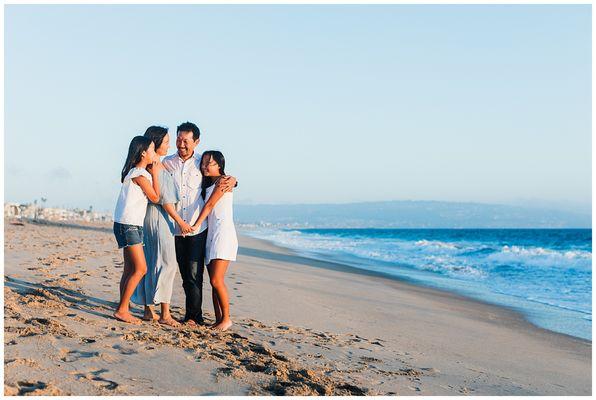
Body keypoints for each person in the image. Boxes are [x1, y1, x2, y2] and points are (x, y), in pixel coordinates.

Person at [162, 122, 237, 326]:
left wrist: (234, 180)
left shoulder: (201, 163)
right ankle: (196, 314)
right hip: (176, 228)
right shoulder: (167, 163)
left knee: (196, 274)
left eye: (186, 140)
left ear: (196, 142)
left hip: (199, 229)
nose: (181, 144)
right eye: (178, 139)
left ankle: (194, 317)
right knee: (184, 274)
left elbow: (221, 177)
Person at [131, 126, 193, 327]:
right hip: (160, 218)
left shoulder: (151, 164)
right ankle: (165, 313)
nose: (169, 145)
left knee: (151, 262)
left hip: (149, 218)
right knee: (167, 263)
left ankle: (149, 310)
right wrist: (180, 222)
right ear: (155, 143)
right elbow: (164, 201)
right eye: (166, 141)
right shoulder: (156, 166)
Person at [113, 136, 161, 324]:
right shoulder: (140, 175)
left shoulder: (135, 172)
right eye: (152, 150)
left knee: (129, 268)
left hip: (126, 224)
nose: (155, 153)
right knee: (141, 269)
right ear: (143, 153)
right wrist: (156, 173)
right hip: (130, 225)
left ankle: (123, 306)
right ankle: (122, 309)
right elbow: (155, 197)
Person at [191, 151, 238, 331]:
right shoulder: (208, 184)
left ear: (219, 165)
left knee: (217, 280)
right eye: (203, 163)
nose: (205, 167)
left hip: (223, 235)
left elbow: (210, 205)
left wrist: (195, 225)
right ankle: (219, 319)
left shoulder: (223, 181)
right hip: (212, 235)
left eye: (209, 163)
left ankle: (226, 318)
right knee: (213, 280)